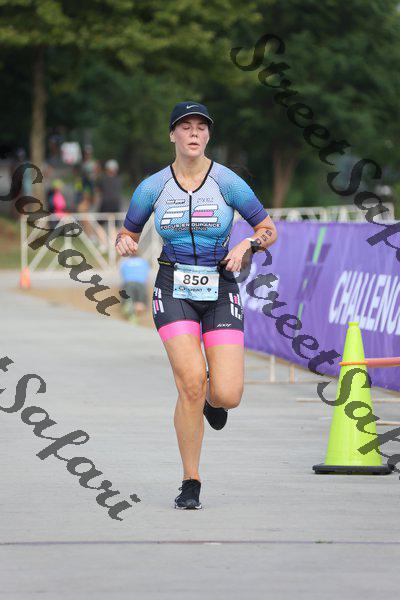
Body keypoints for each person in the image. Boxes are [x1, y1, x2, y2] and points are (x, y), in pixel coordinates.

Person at [115, 101, 277, 510]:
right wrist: (124, 243)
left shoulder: (228, 182)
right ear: (172, 135)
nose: (193, 133)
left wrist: (247, 243)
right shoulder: (152, 187)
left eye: (200, 127)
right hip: (173, 288)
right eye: (185, 127)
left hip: (220, 286)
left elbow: (267, 228)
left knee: (228, 394)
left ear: (208, 135)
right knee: (189, 382)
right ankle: (191, 480)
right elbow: (127, 233)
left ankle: (211, 399)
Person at [119, 253, 151, 322]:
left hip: (128, 283)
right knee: (141, 302)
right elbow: (146, 275)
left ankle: (130, 312)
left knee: (128, 301)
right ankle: (138, 311)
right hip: (141, 284)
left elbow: (123, 275)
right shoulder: (144, 262)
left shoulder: (125, 262)